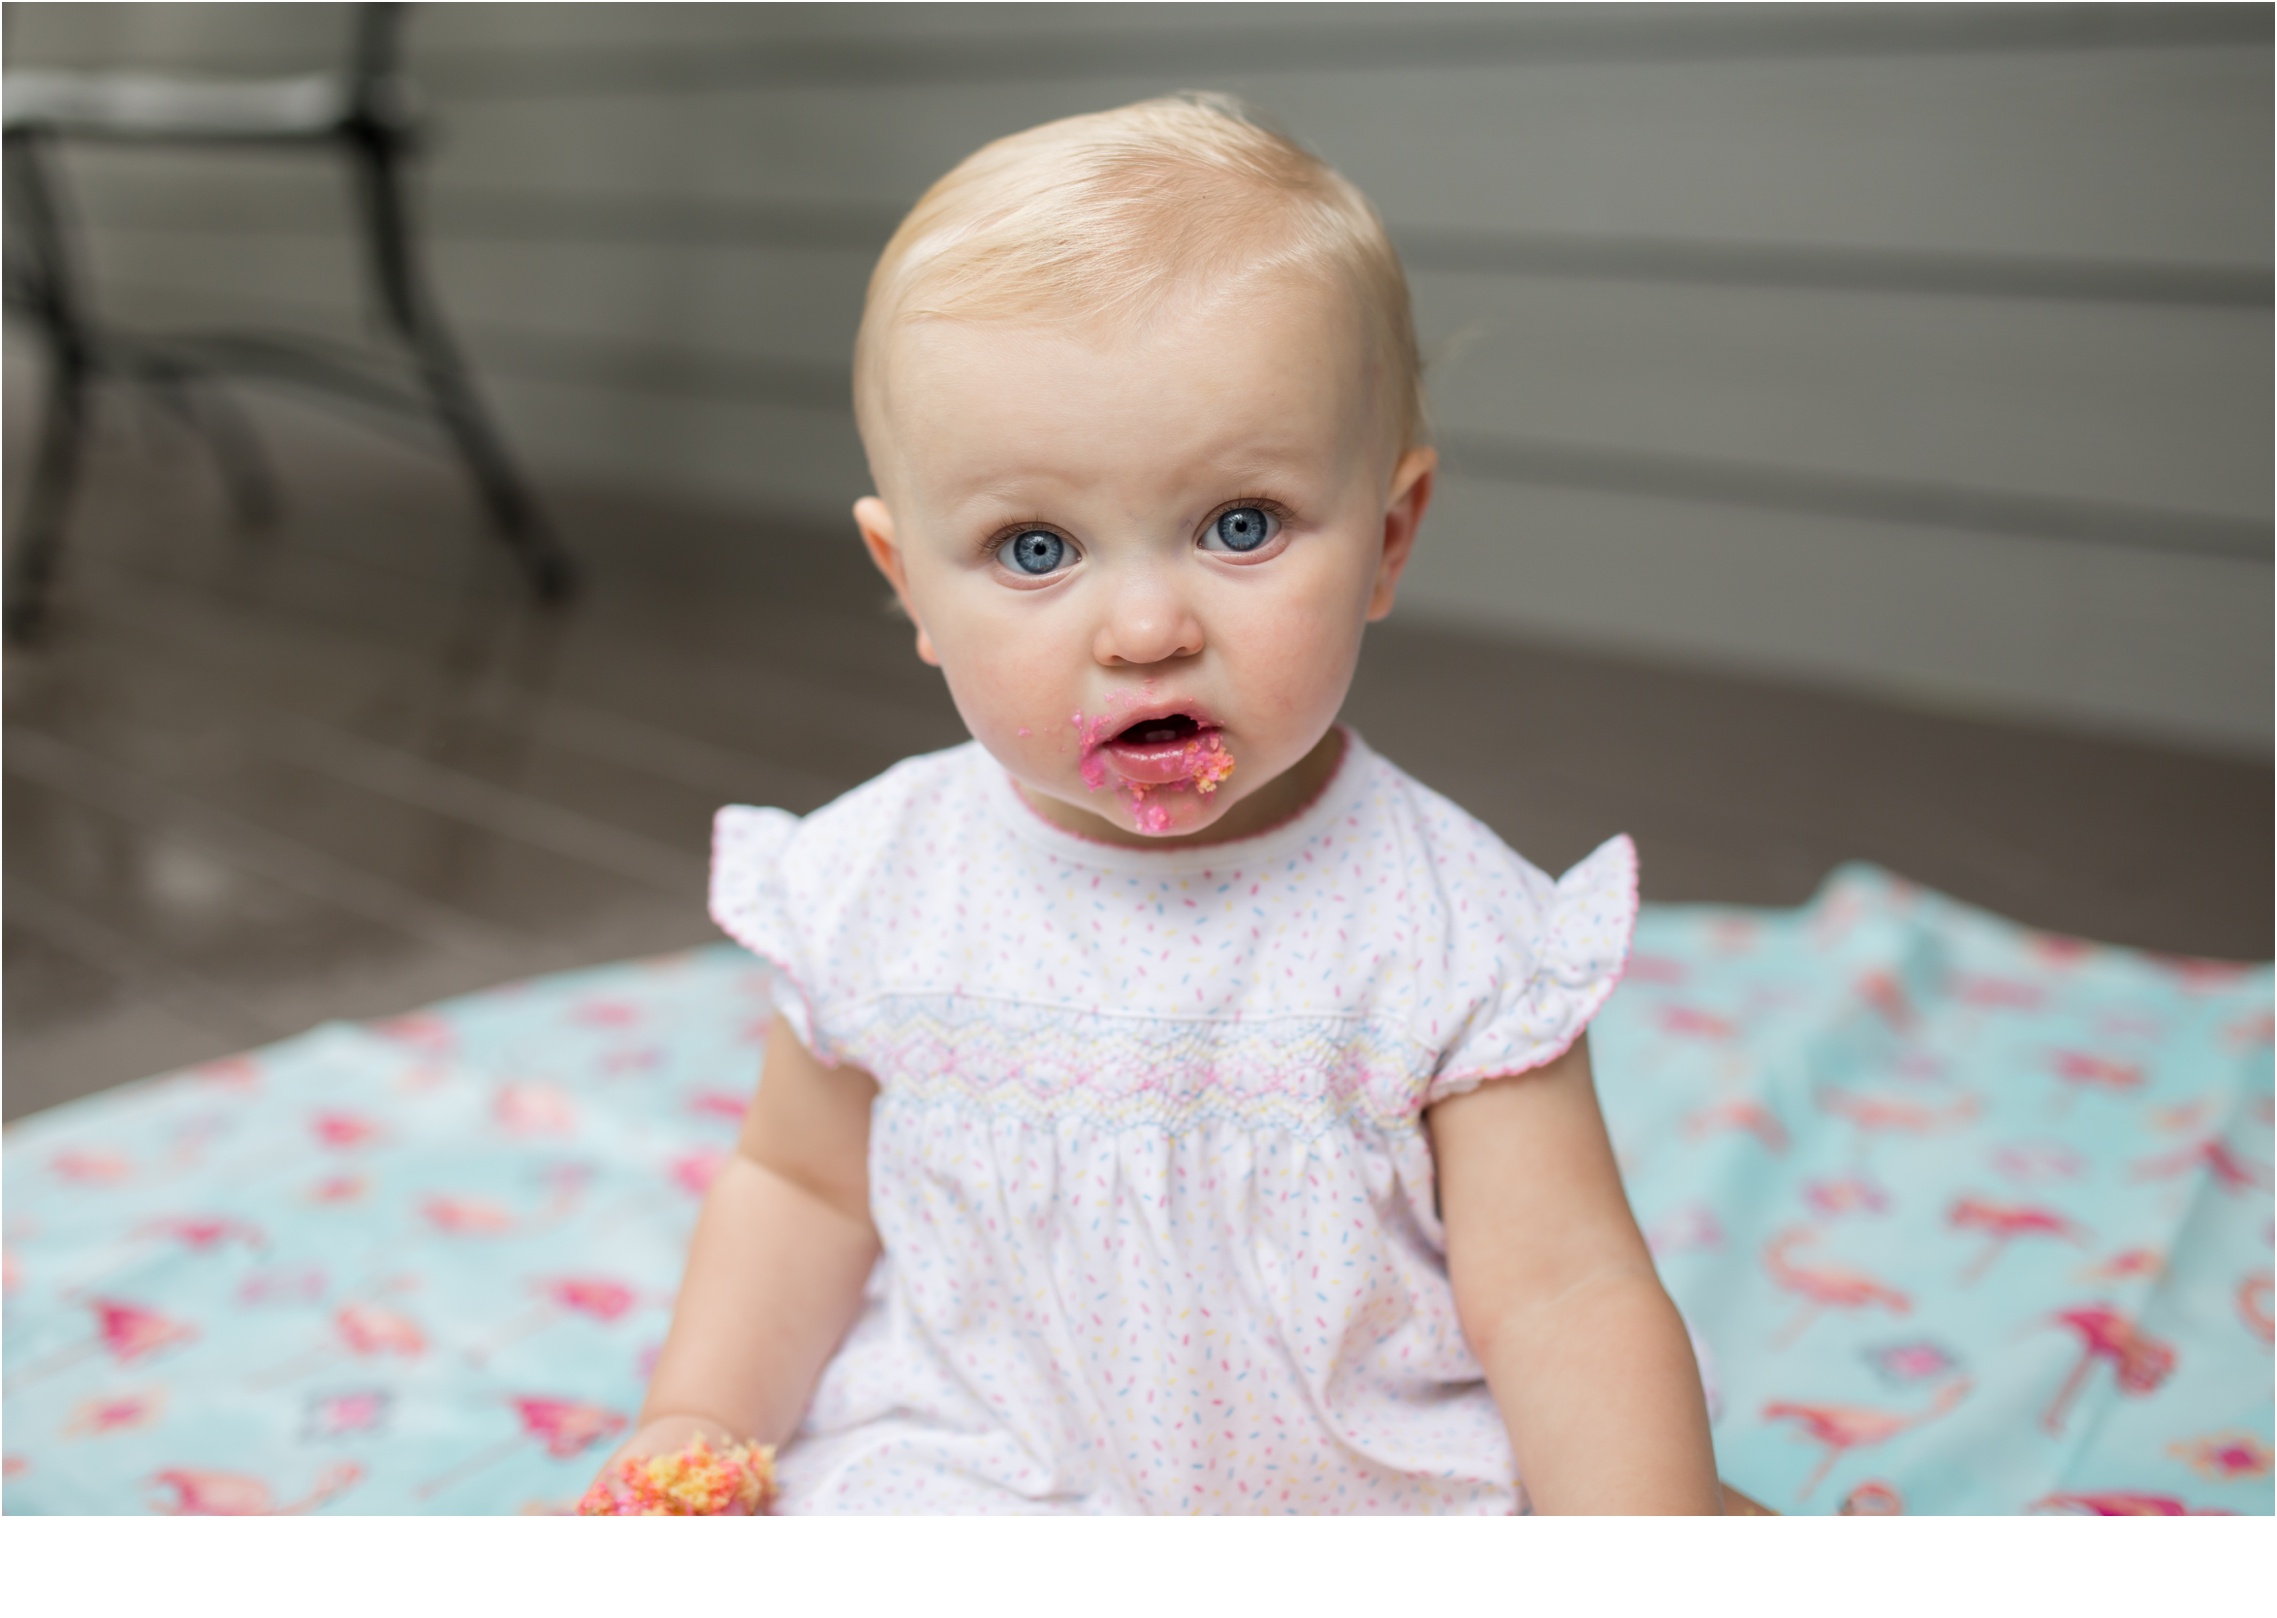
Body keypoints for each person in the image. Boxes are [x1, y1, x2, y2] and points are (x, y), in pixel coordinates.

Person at [595, 93, 1722, 1514]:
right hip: (980, 1466)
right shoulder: (877, 883)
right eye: (1033, 546)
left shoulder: (1449, 934)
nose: (1140, 628)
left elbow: (1562, 1289)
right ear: (908, 587)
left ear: (1385, 540)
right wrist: (697, 1411)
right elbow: (801, 1192)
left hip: (1354, 1491)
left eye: (1237, 526)